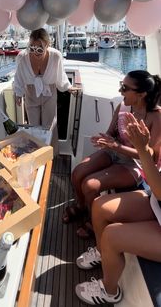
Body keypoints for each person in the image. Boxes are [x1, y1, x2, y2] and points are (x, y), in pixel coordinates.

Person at [75, 114, 161, 305]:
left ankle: (109, 291)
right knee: (99, 207)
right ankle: (102, 251)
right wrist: (143, 145)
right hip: (156, 204)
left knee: (112, 236)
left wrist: (141, 149)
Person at [62, 70, 161, 237]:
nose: (120, 91)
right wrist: (104, 139)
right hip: (115, 152)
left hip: (136, 164)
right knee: (77, 173)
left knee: (89, 185)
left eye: (125, 88)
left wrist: (115, 146)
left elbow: (152, 157)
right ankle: (81, 206)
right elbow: (111, 133)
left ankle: (95, 221)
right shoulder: (122, 106)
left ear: (141, 94)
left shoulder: (156, 117)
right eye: (121, 86)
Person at [13, 28, 78, 150]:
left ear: (47, 45)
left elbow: (60, 75)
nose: (35, 52)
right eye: (31, 47)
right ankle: (36, 151)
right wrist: (18, 93)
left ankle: (50, 153)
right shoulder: (22, 57)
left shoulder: (56, 56)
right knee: (34, 125)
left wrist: (68, 87)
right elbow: (19, 77)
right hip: (31, 93)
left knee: (50, 125)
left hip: (49, 92)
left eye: (40, 48)